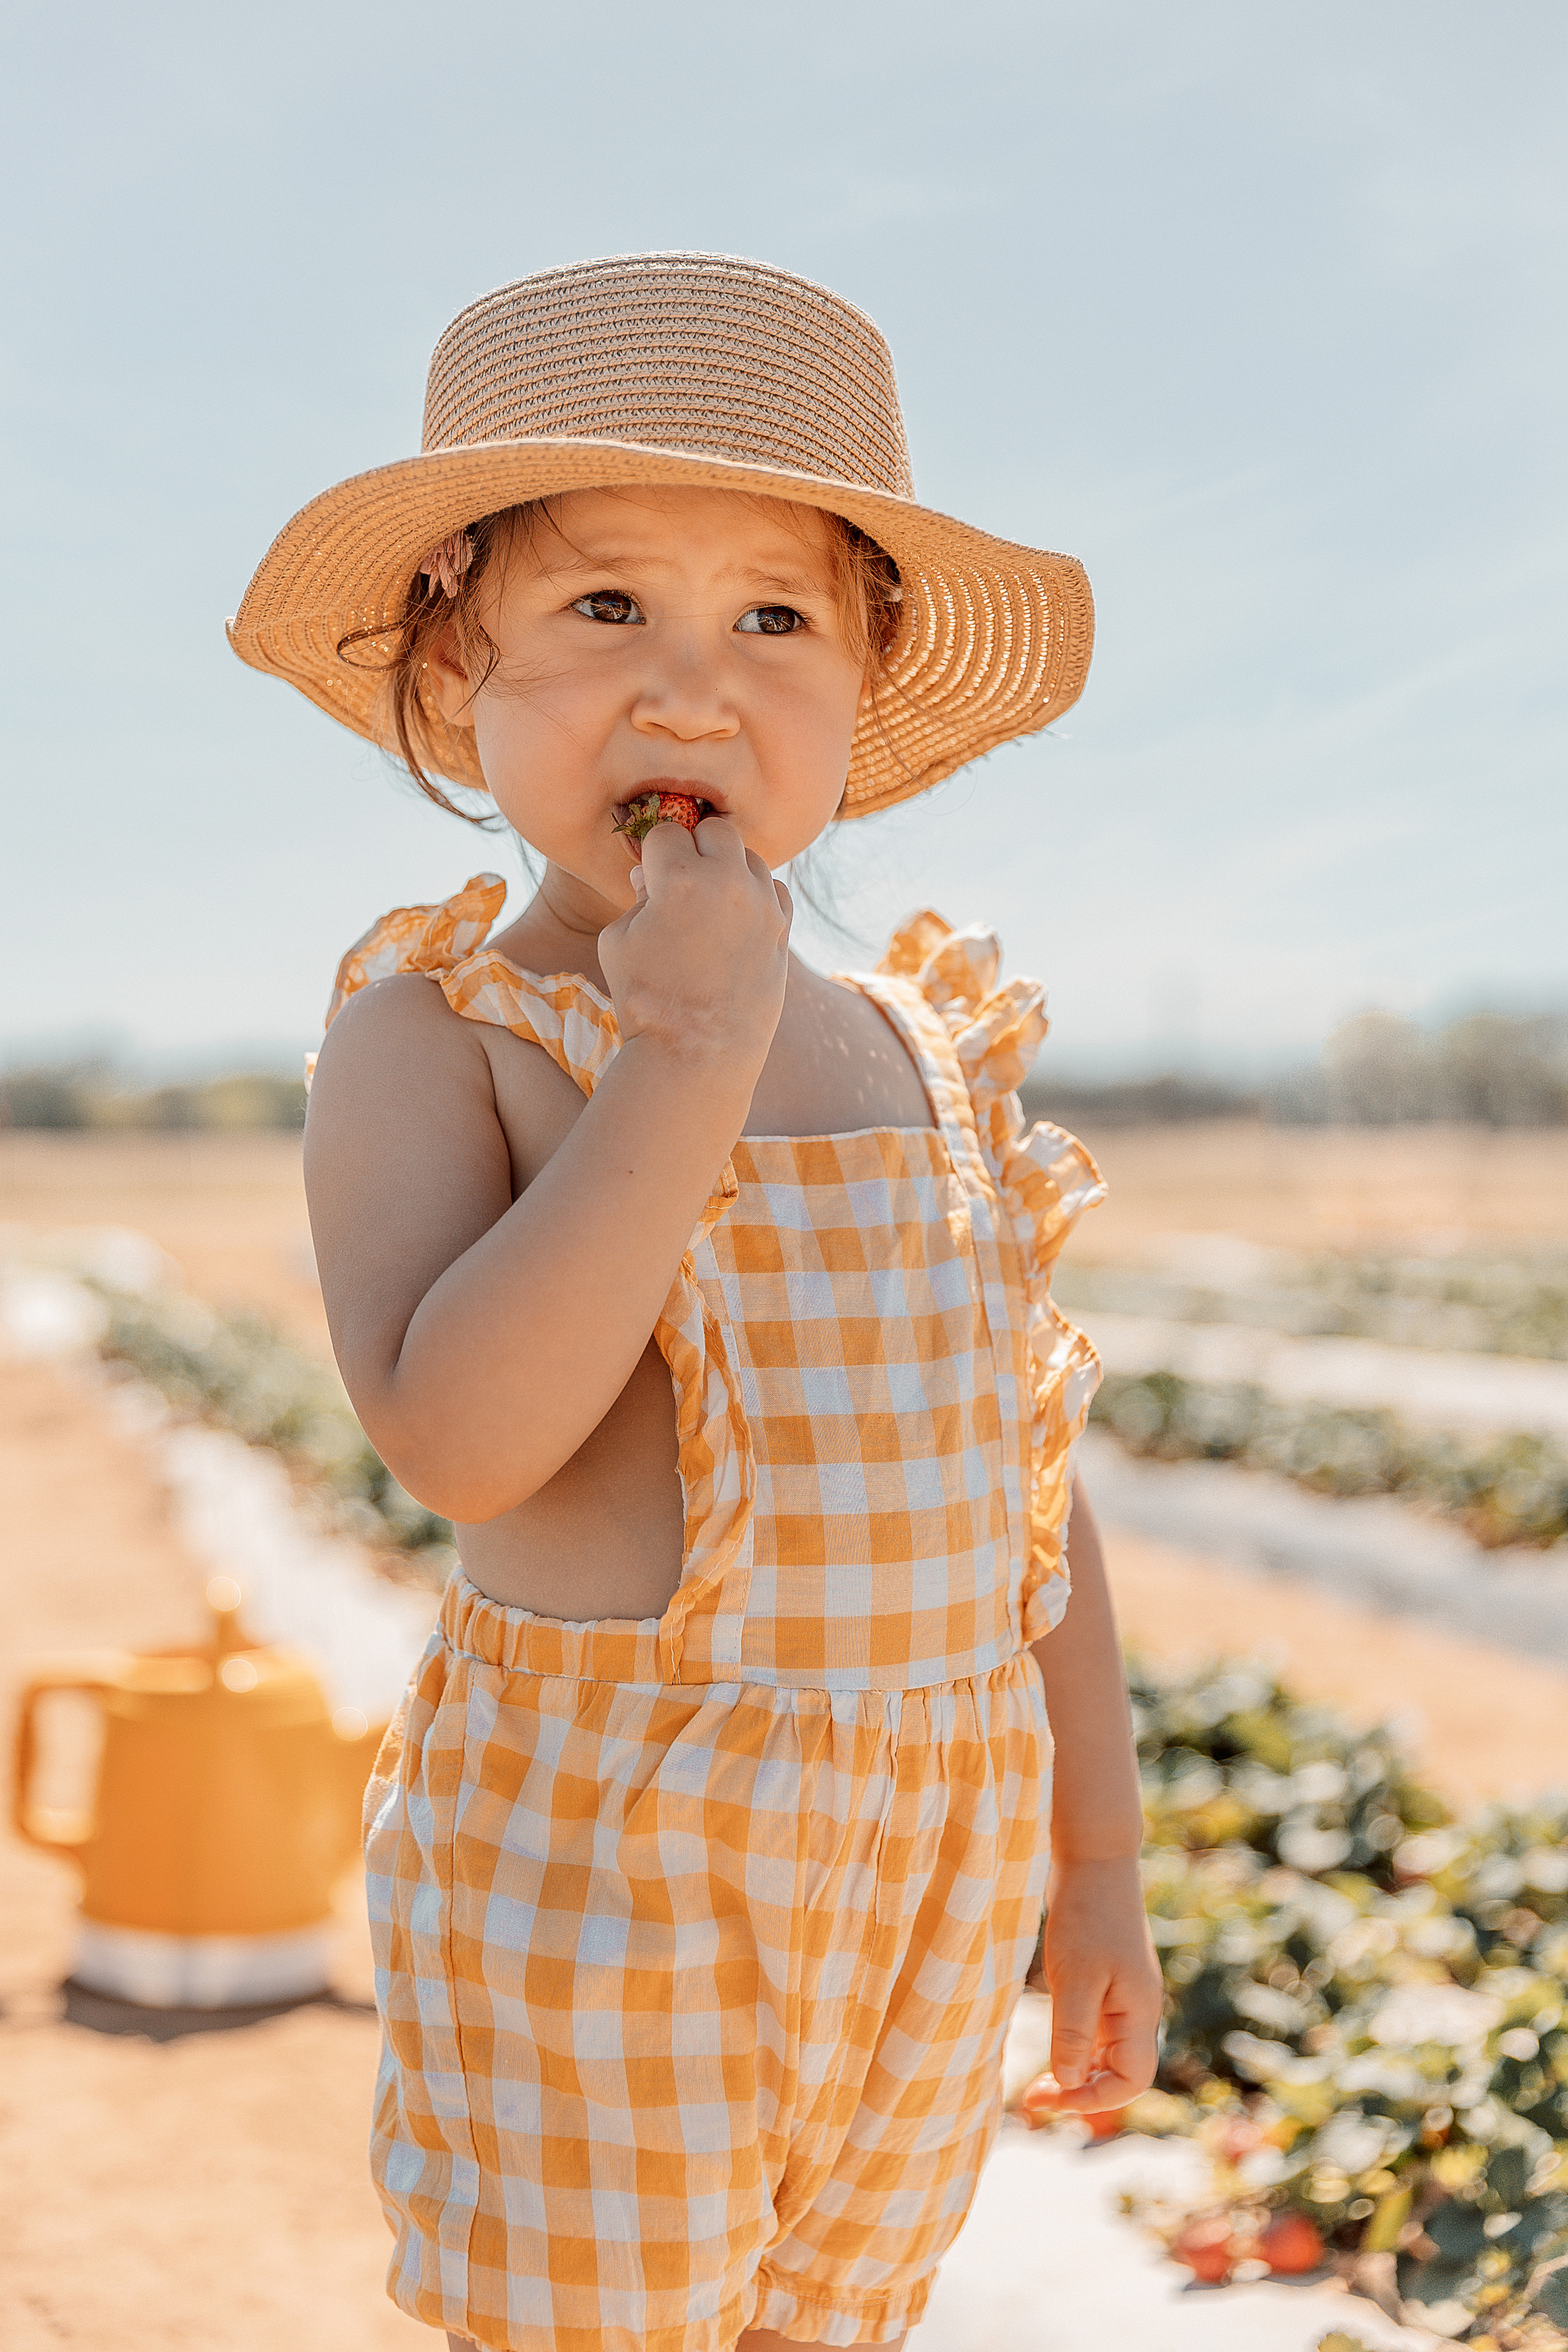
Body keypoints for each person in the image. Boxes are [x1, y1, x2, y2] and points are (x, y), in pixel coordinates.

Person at [230, 252, 1163, 2352]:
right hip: (613, 1861)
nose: (690, 689)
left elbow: (1024, 1486)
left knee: (836, 2322)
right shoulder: (447, 1030)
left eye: (775, 619)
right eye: (602, 610)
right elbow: (460, 1440)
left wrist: (1095, 1866)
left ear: (865, 679)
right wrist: (678, 1061)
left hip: (933, 1857)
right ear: (454, 656)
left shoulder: (928, 1047)